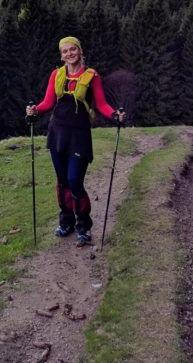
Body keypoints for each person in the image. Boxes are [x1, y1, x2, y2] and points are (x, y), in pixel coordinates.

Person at [26, 36, 123, 246]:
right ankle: (67, 221)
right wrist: (34, 111)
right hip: (57, 133)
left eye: (73, 50)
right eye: (65, 51)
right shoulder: (57, 75)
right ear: (61, 55)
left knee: (74, 181)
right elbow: (47, 103)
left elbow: (102, 105)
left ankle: (83, 226)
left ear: (80, 51)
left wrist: (115, 115)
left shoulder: (92, 76)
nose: (69, 54)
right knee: (62, 182)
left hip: (79, 136)